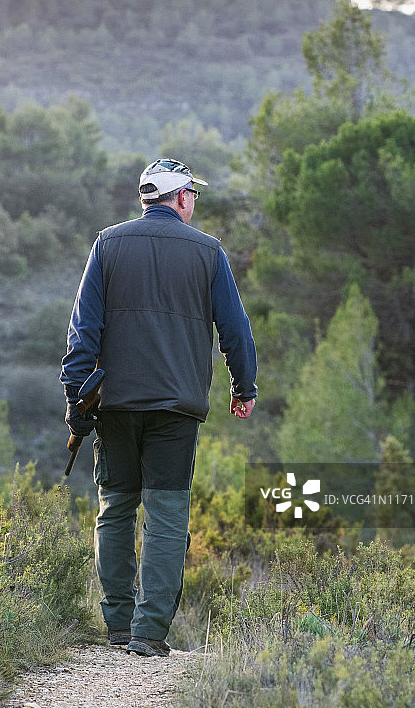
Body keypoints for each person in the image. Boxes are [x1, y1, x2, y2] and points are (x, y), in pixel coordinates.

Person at [59, 158, 257, 657]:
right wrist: (244, 385)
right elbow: (235, 329)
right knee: (167, 518)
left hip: (115, 406)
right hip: (176, 410)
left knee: (116, 509)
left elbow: (83, 330)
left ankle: (117, 627)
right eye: (194, 194)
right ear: (183, 197)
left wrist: (75, 394)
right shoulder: (209, 252)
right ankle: (149, 635)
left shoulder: (108, 243)